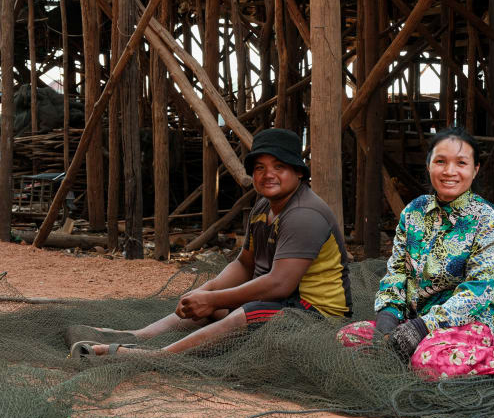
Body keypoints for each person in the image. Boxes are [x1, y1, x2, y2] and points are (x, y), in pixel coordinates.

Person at [68, 128, 352, 357]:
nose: (268, 175)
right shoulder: (263, 207)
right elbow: (244, 263)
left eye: (279, 166)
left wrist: (214, 299)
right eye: (260, 167)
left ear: (299, 172)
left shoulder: (304, 214)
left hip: (316, 316)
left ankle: (157, 356)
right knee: (211, 306)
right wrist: (206, 292)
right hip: (280, 303)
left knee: (242, 313)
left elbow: (280, 284)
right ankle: (140, 336)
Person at [337, 127, 494, 395]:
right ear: (429, 165)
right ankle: (418, 352)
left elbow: (478, 291)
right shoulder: (413, 212)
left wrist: (422, 327)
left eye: (461, 163)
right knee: (349, 336)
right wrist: (387, 323)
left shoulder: (488, 220)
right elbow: (396, 271)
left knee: (427, 361)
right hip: (414, 321)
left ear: (475, 170)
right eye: (441, 161)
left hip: (475, 321)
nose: (449, 171)